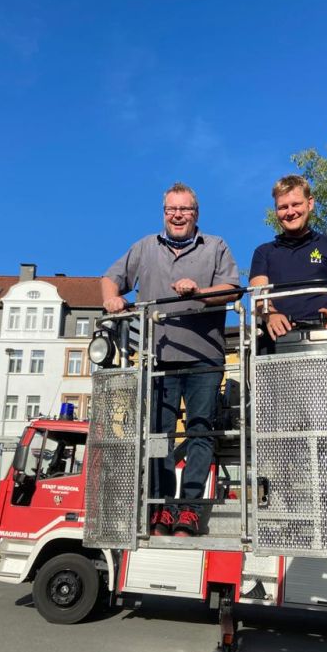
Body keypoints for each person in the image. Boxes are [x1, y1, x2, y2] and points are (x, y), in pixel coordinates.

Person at [101, 182, 240, 536]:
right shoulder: (145, 247)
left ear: (196, 214)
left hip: (204, 357)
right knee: (158, 435)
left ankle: (190, 510)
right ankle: (162, 508)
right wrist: (112, 299)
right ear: (164, 213)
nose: (178, 215)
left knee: (200, 431)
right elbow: (110, 279)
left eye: (185, 210)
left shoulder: (216, 247)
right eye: (171, 210)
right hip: (157, 357)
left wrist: (199, 292)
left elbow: (231, 290)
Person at [249, 174, 327, 343]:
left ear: (310, 203)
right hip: (277, 341)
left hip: (325, 335)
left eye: (296, 204)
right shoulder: (263, 252)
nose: (290, 212)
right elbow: (259, 296)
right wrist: (270, 315)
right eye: (283, 207)